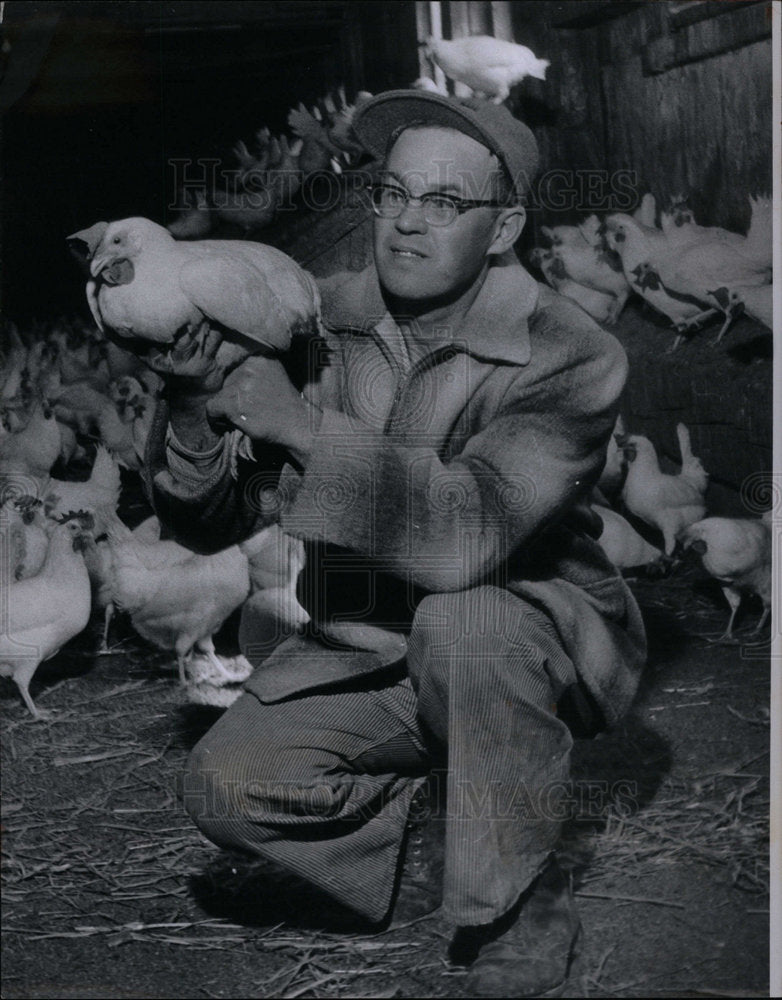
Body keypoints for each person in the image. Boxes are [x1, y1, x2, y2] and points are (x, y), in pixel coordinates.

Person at [143, 90, 646, 998]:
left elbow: (468, 536)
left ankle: (517, 898)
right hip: (369, 635)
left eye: (445, 203)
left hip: (520, 629)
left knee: (466, 626)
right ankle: (458, 803)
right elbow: (206, 525)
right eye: (393, 193)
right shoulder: (312, 318)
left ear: (503, 229)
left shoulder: (572, 354)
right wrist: (190, 402)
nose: (407, 223)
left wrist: (299, 426)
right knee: (225, 786)